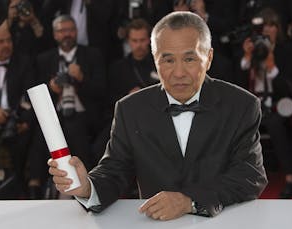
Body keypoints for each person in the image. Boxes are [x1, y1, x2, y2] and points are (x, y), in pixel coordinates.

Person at [48, 11, 267, 220]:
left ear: (208, 58)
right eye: (168, 60)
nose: (179, 72)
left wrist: (190, 201)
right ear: (155, 60)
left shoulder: (242, 105)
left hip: (222, 222)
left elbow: (249, 175)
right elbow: (115, 170)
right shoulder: (130, 109)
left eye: (190, 59)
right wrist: (87, 187)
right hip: (156, 224)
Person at [29, 14, 107, 199]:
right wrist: (52, 89)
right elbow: (35, 96)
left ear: (77, 32)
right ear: (55, 35)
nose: (67, 34)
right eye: (62, 31)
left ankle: (85, 187)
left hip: (85, 115)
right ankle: (35, 187)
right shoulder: (43, 59)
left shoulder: (92, 55)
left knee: (75, 128)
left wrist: (81, 79)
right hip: (54, 114)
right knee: (39, 135)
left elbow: (102, 91)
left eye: (70, 30)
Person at [238, 8, 292, 198]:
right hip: (253, 105)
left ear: (277, 29)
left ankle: (290, 178)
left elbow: (290, 88)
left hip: (280, 105)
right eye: (263, 26)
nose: (267, 29)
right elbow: (237, 84)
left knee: (275, 123)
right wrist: (246, 59)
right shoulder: (251, 50)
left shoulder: (286, 52)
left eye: (271, 25)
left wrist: (272, 67)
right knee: (237, 123)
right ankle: (239, 180)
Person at [0, 26, 35, 195]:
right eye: (0, 41)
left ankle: (22, 191)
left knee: (28, 140)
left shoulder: (24, 63)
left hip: (16, 122)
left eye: (9, 40)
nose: (6, 45)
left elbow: (31, 94)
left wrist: (25, 121)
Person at [108, 18, 159, 111]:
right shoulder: (118, 68)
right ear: (128, 41)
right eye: (134, 41)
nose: (139, 45)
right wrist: (127, 97)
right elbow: (111, 100)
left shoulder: (160, 64)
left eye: (142, 40)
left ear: (149, 40)